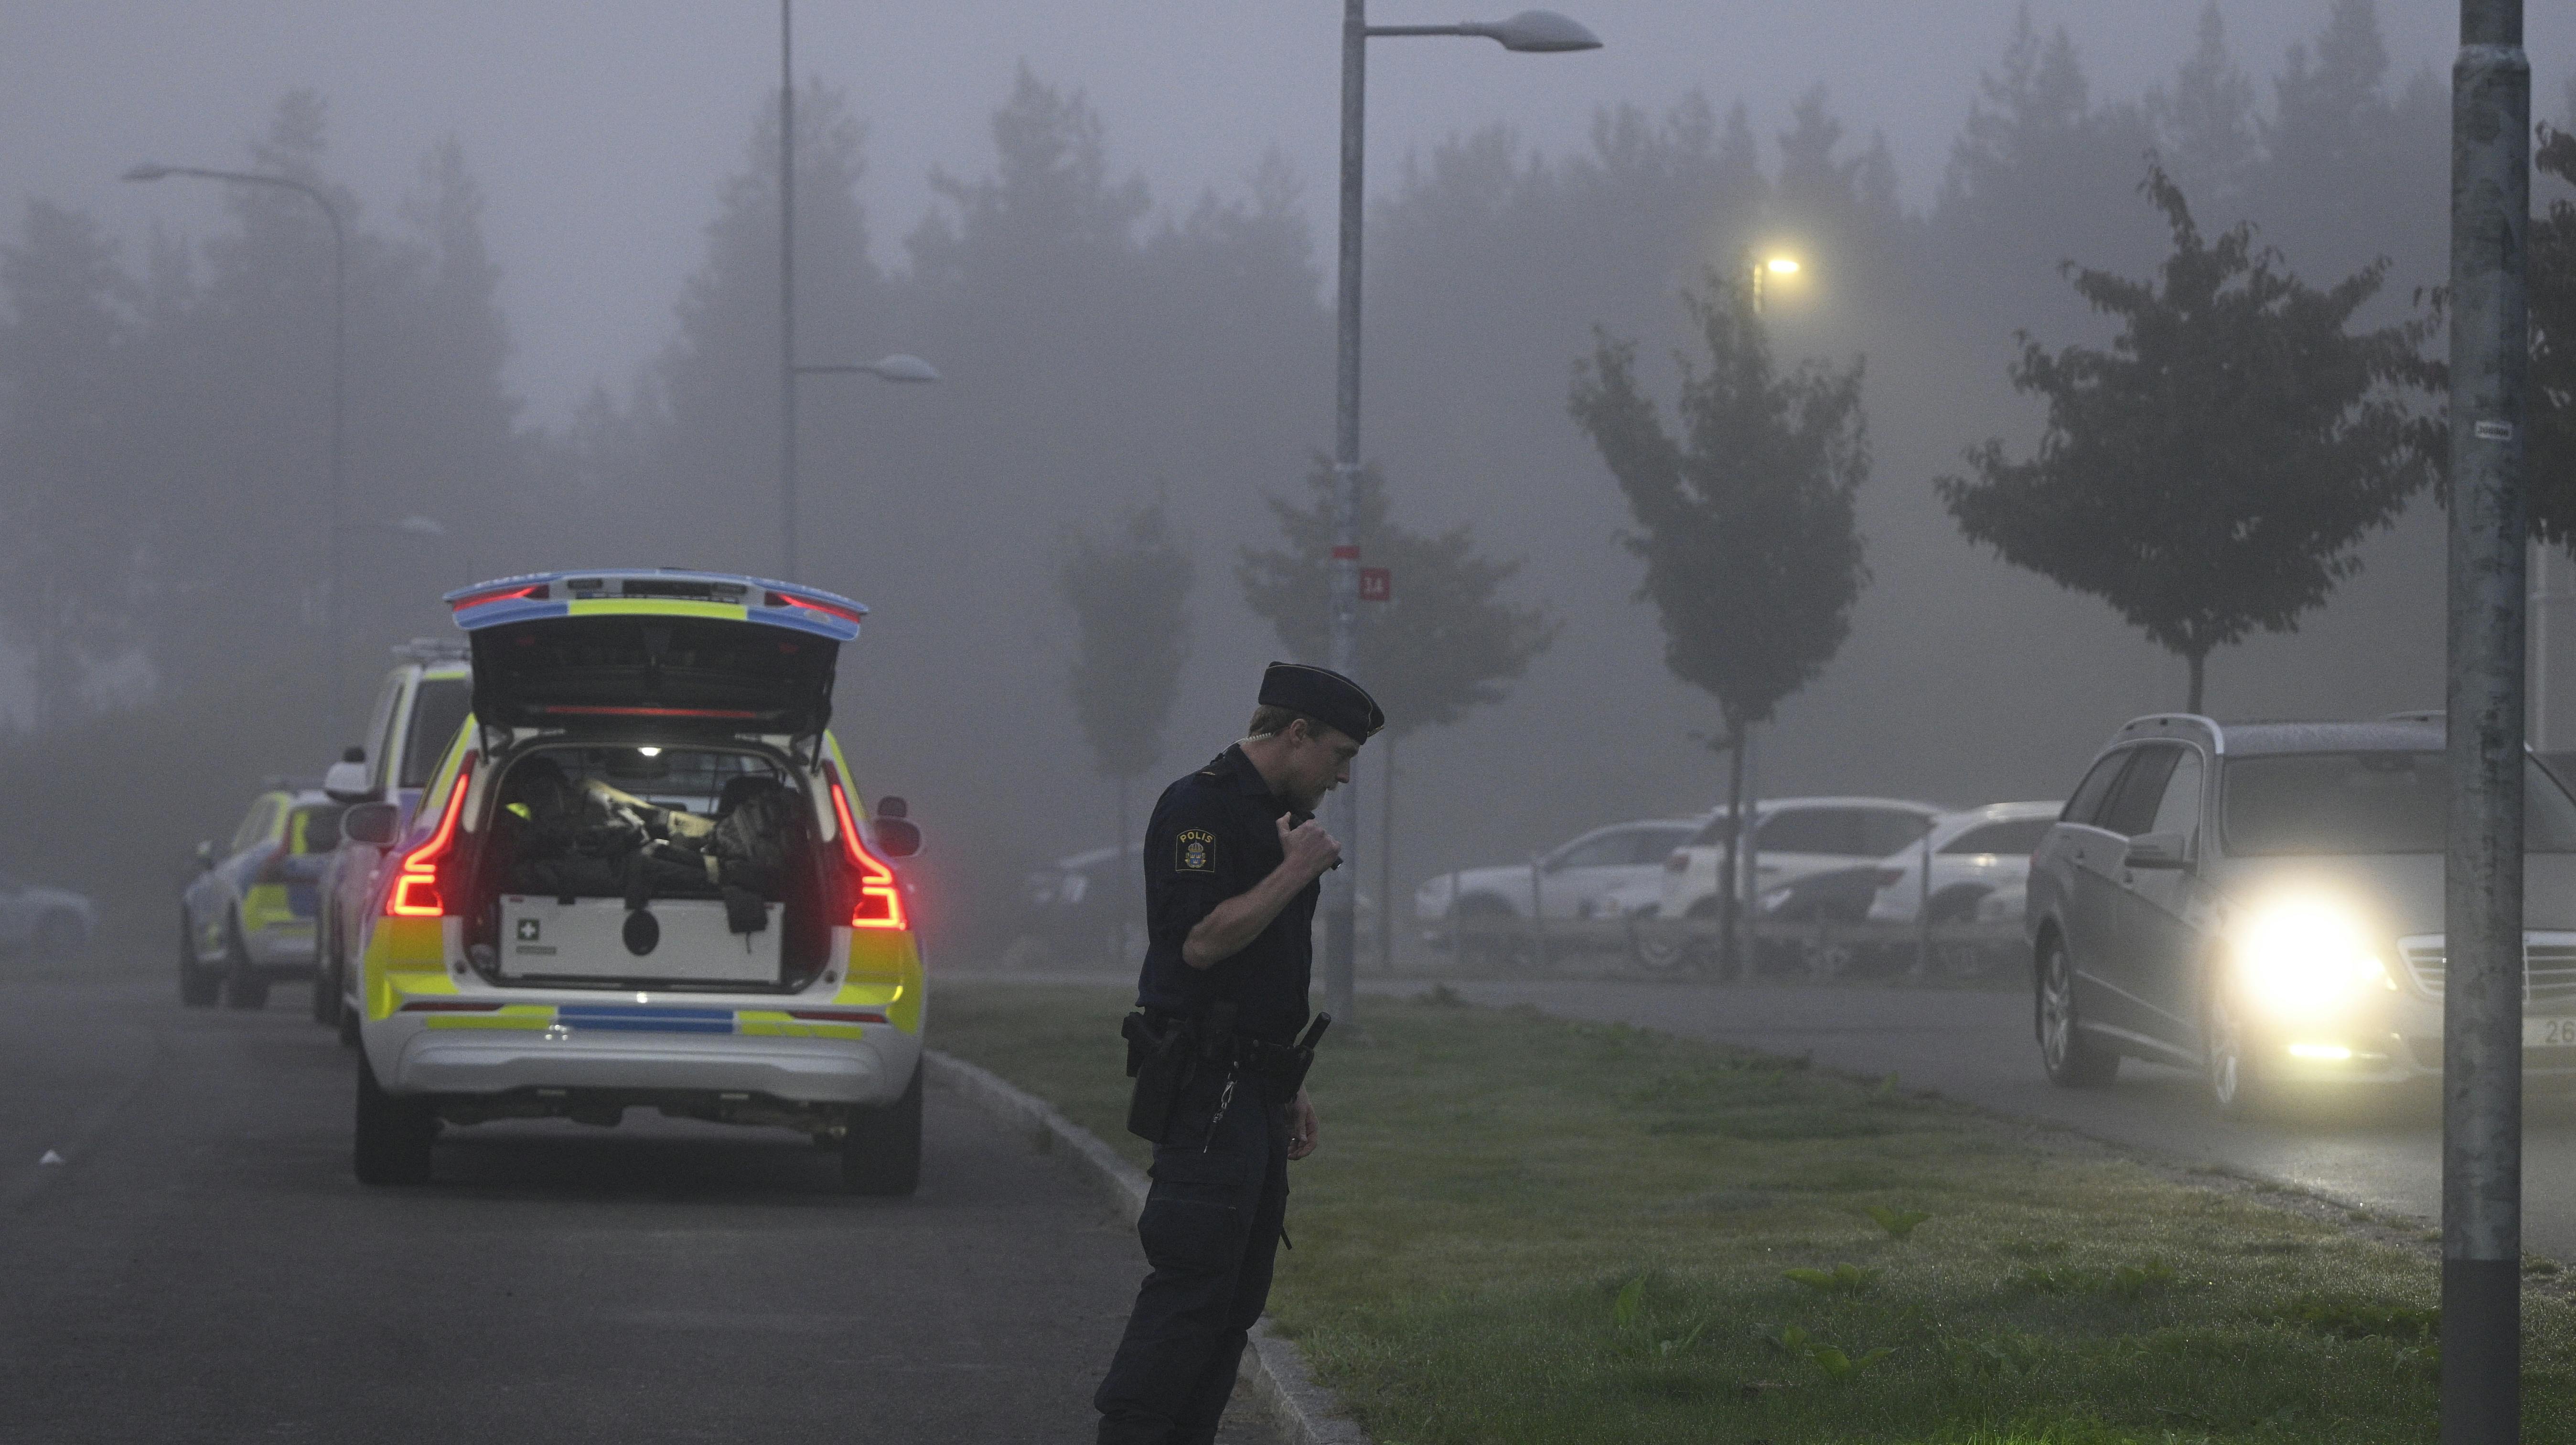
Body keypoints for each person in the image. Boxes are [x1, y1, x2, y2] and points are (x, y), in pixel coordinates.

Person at [1094, 661, 1384, 1445]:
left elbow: (1265, 969)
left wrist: (1285, 1075)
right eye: (1341, 756)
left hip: (1254, 1083)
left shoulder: (1277, 816)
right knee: (1192, 1285)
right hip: (1205, 1088)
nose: (1345, 777)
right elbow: (1199, 942)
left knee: (1235, 1301)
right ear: (1296, 735)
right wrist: (1293, 871)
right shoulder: (1201, 808)